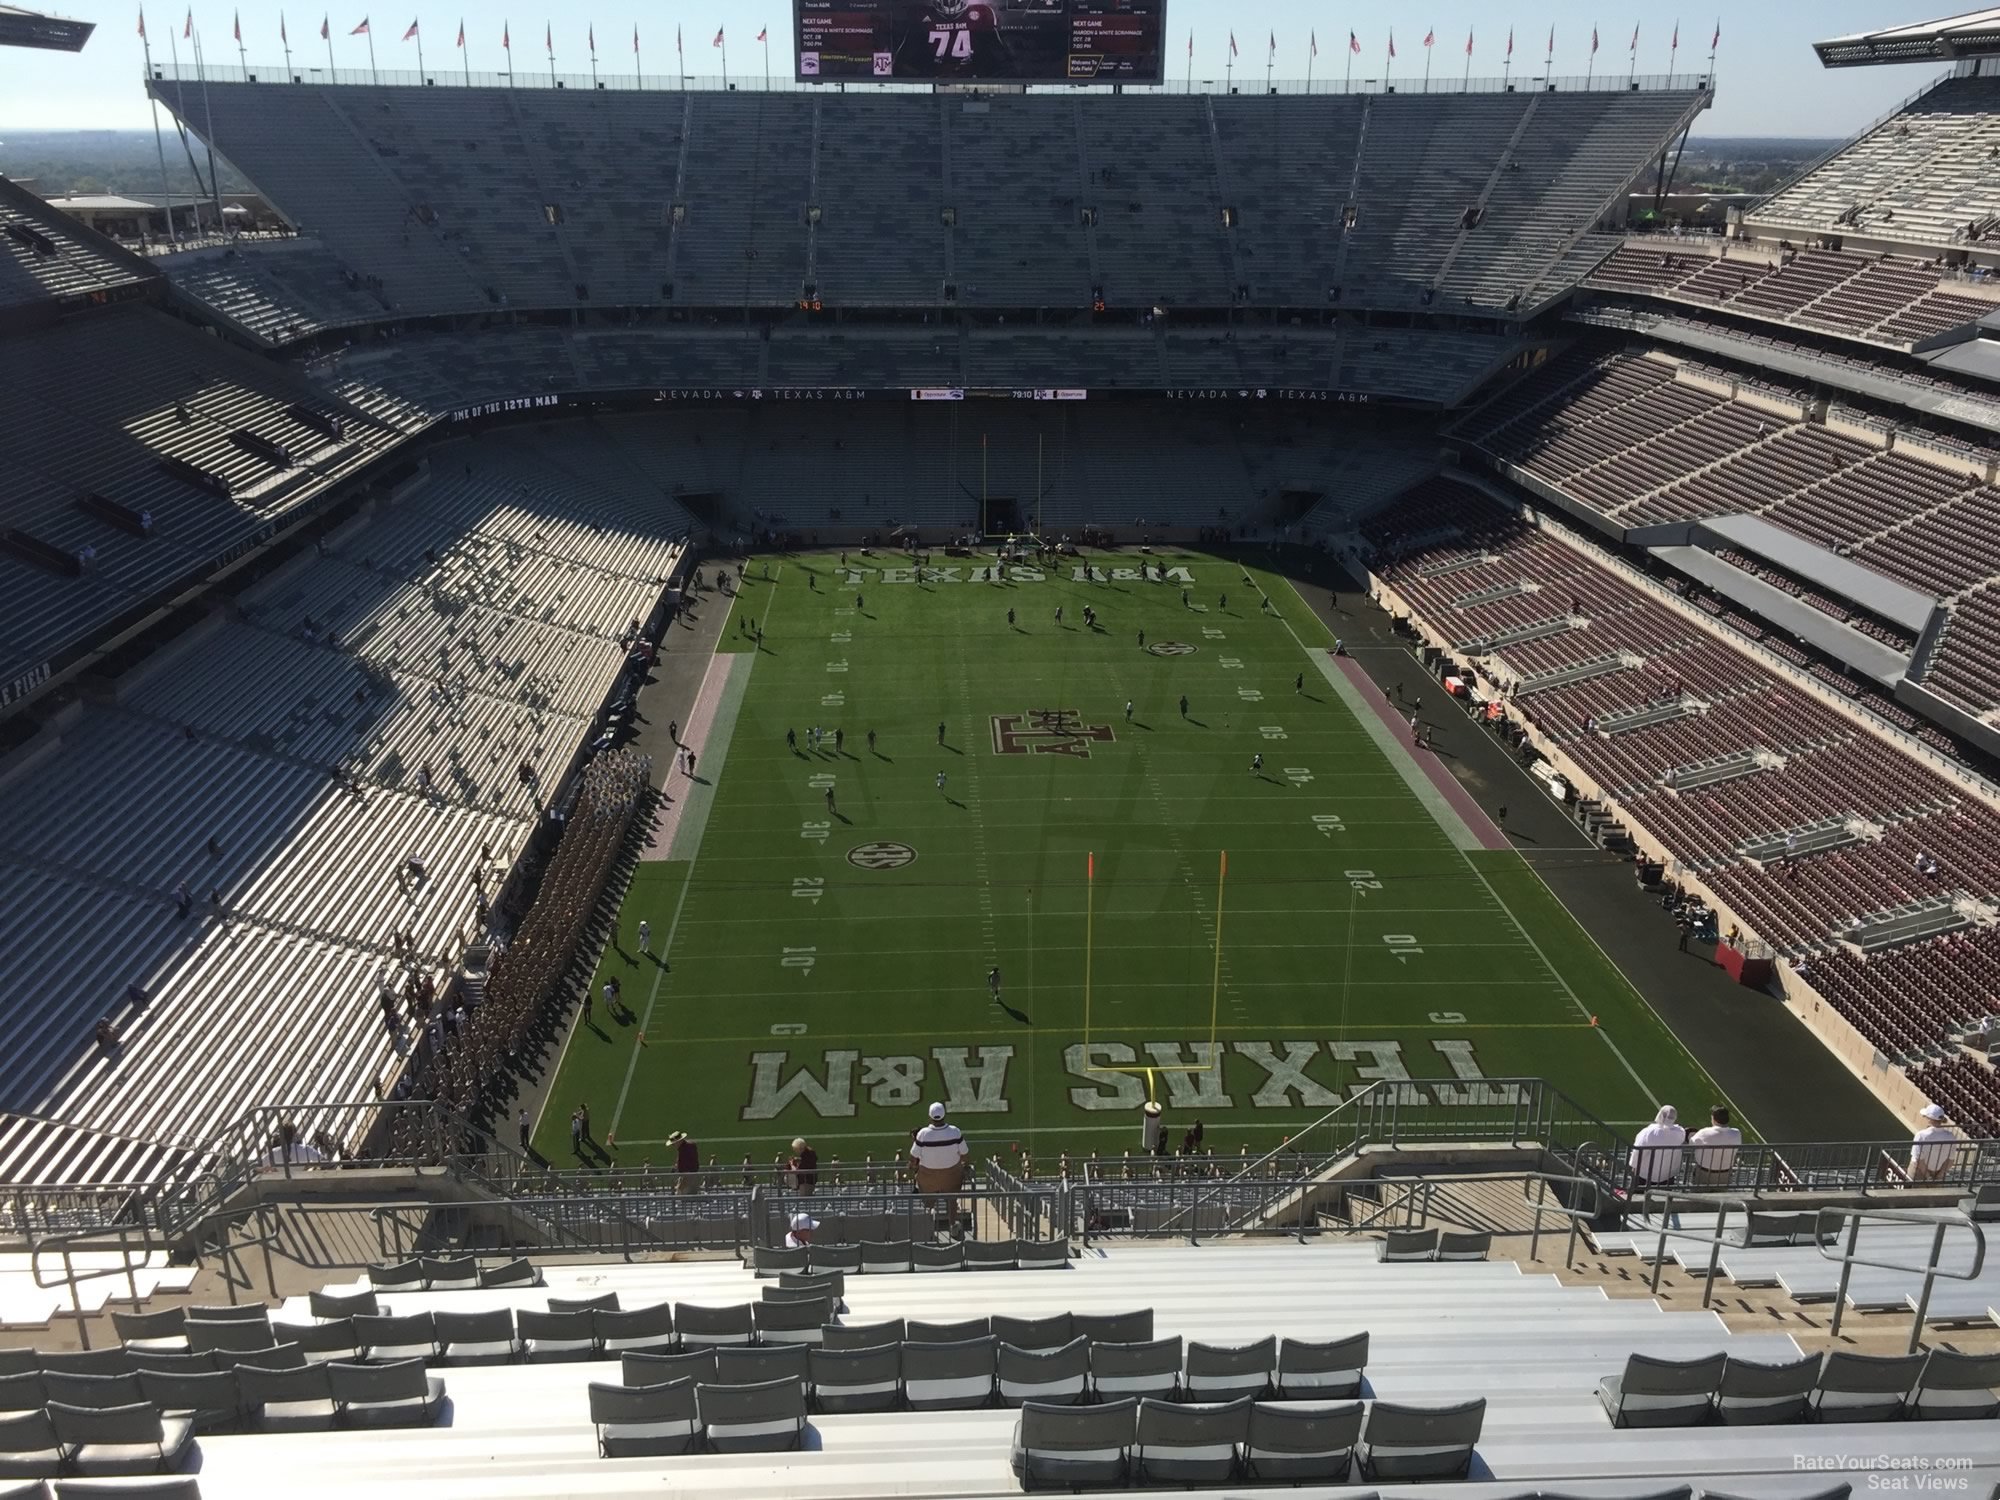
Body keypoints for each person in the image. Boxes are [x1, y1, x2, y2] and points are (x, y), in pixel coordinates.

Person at [910, 1101, 970, 1235]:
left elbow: (913, 1158)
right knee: (952, 1200)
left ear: (930, 1116)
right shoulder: (955, 1132)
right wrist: (962, 1166)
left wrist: (913, 1167)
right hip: (951, 1175)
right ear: (944, 1115)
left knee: (928, 1201)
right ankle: (953, 1225)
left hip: (928, 1177)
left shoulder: (923, 1134)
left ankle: (927, 1228)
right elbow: (965, 1155)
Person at [1627, 1106, 1686, 1194]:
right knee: (1663, 1201)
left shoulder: (1648, 1132)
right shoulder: (1680, 1132)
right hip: (1667, 1175)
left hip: (1645, 1175)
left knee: (1638, 1199)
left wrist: (1633, 1165)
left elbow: (1638, 1151)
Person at [1686, 1105, 1742, 1187]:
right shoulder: (1736, 1133)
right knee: (1721, 1199)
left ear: (1714, 1118)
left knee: (1698, 1198)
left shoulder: (1704, 1133)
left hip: (1704, 1174)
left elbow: (1691, 1144)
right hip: (1725, 1175)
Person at [1910, 1103, 1958, 1183]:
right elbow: (1950, 1160)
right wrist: (1940, 1175)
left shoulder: (1921, 1135)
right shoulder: (1950, 1137)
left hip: (1918, 1173)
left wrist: (1928, 1177)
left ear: (1929, 1119)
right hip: (1938, 1172)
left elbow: (1918, 1160)